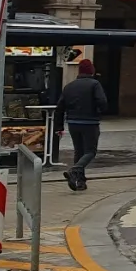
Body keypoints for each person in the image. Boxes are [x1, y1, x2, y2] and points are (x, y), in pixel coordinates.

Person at [57, 59, 108, 191]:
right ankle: (75, 170)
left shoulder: (69, 86)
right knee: (90, 151)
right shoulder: (94, 84)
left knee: (79, 151)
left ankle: (79, 181)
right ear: (91, 70)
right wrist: (99, 111)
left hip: (73, 123)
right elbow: (102, 101)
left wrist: (59, 127)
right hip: (89, 122)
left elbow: (60, 107)